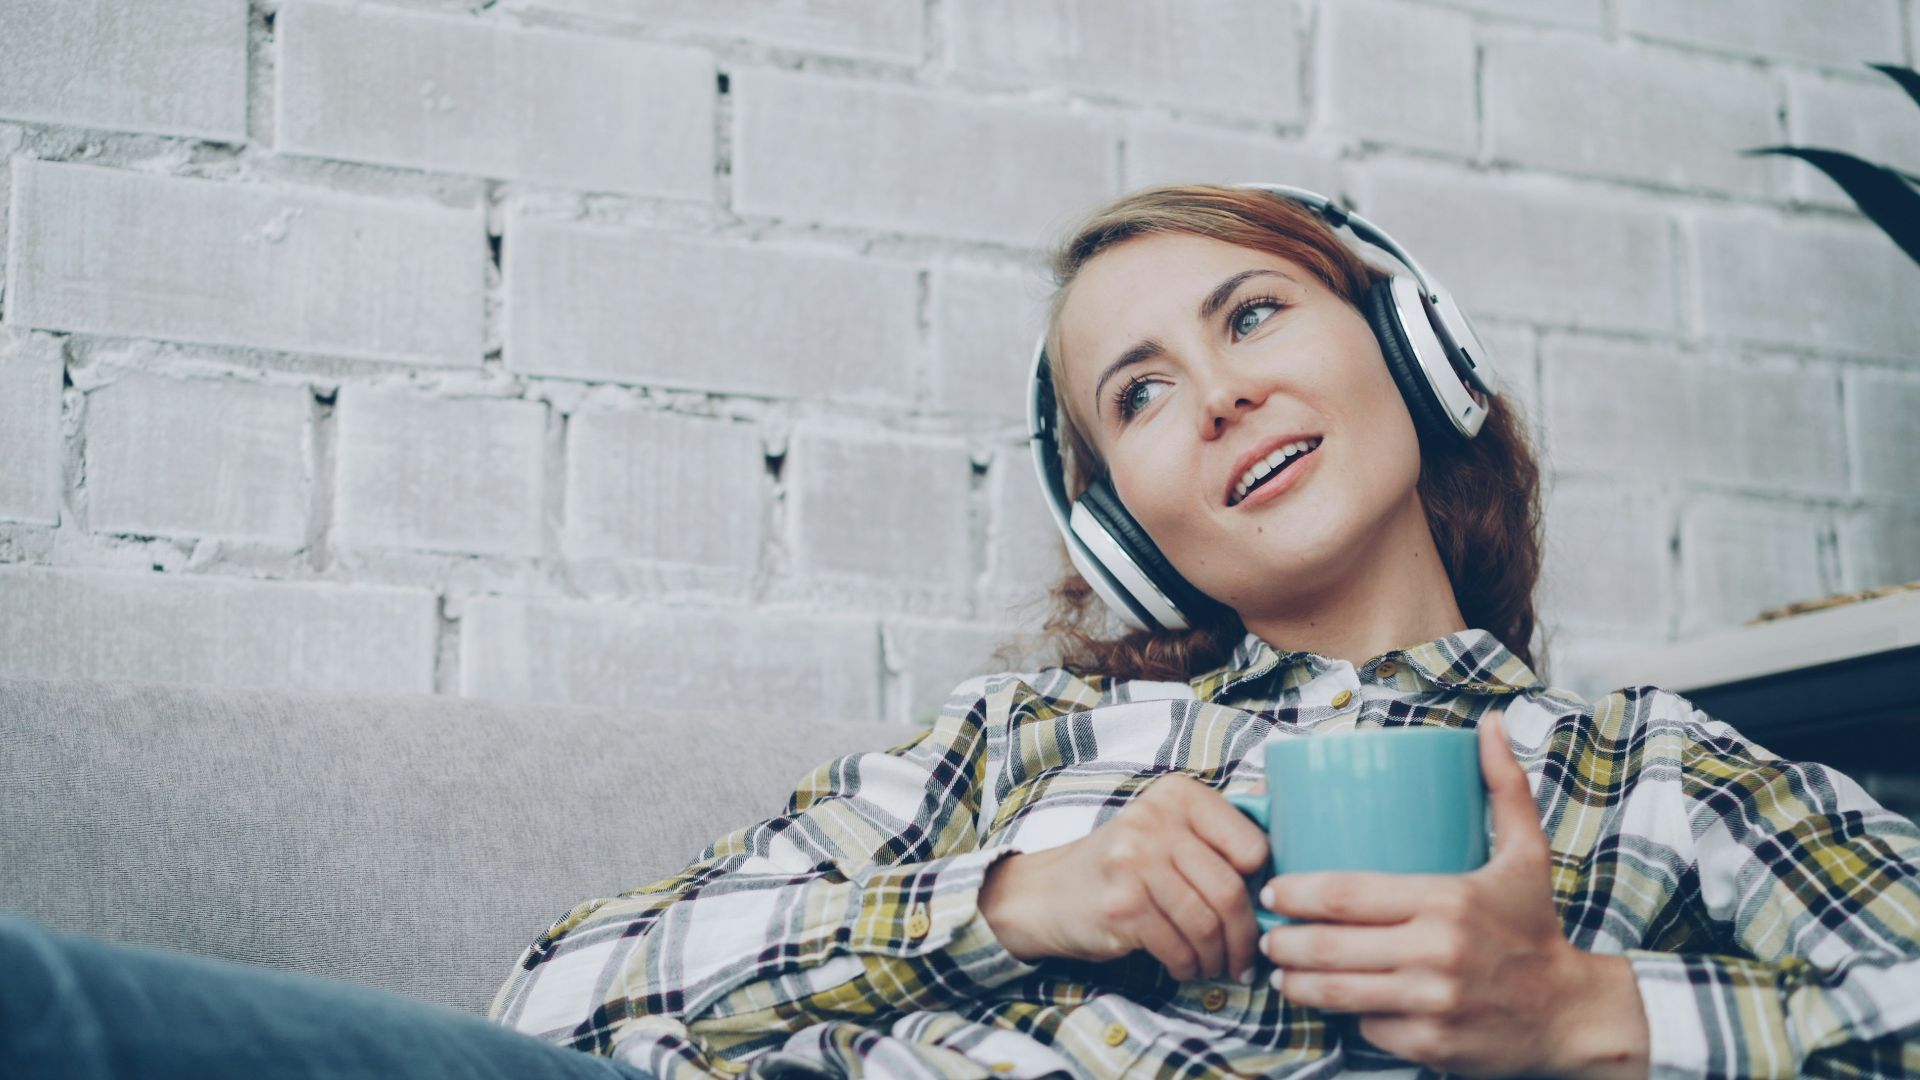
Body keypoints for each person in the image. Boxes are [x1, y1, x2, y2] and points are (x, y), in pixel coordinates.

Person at [5, 184, 1916, 1080]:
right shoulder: (1013, 755)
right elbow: (554, 1009)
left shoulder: (1661, 778)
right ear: (1126, 522)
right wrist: (1014, 901)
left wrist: (1582, 1013)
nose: (1223, 395)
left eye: (1255, 317)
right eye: (1143, 394)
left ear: (1417, 360)